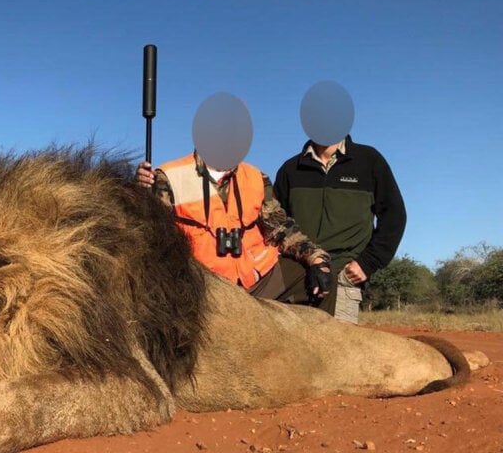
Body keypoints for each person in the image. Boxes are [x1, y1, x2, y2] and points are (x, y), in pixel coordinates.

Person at [136, 151, 332, 304]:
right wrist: (137, 191)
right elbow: (149, 233)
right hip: (202, 286)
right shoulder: (168, 177)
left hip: (257, 279)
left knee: (323, 278)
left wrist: (317, 259)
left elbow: (280, 227)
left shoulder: (256, 177)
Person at [274, 135, 406, 323]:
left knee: (335, 350)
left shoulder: (369, 160)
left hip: (343, 276)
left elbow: (394, 216)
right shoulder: (290, 169)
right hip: (297, 277)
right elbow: (278, 225)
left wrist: (367, 263)